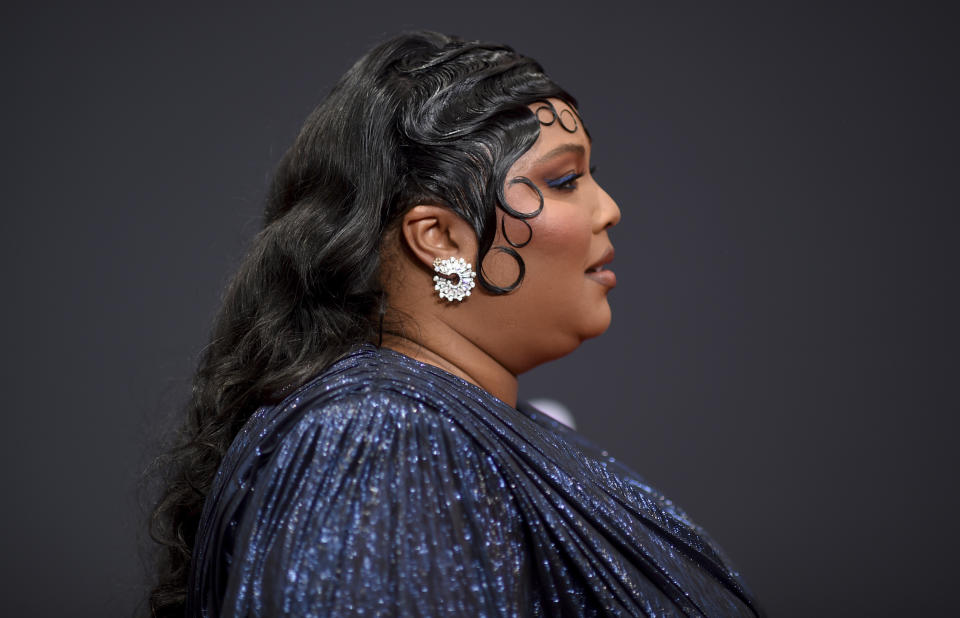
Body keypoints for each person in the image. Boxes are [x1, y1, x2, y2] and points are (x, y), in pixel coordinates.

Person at [149, 31, 763, 617]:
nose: (609, 208)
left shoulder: (439, 428)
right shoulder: (383, 442)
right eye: (566, 179)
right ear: (440, 237)